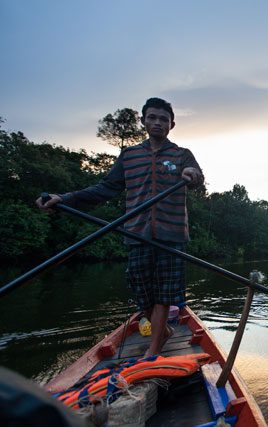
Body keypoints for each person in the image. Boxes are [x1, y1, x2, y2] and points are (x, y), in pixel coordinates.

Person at [36, 97, 204, 357]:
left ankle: (154, 348)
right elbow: (105, 188)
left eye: (163, 119)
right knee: (141, 290)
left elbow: (197, 177)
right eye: (152, 117)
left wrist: (192, 176)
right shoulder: (129, 156)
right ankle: (163, 332)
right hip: (136, 232)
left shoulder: (181, 154)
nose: (158, 122)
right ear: (144, 121)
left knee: (164, 294)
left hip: (171, 235)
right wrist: (64, 198)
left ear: (172, 124)